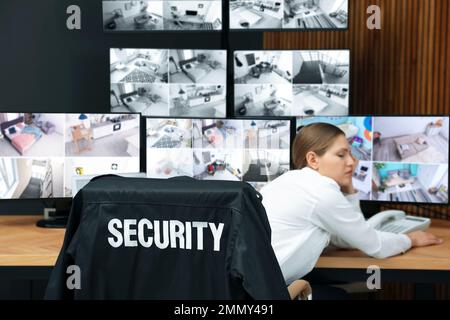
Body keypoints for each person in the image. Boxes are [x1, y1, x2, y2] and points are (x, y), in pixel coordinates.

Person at [260, 123, 443, 288]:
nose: (352, 162)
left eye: (350, 153)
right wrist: (411, 240)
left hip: (248, 288)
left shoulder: (291, 181)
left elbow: (345, 239)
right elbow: (376, 246)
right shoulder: (321, 192)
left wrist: (349, 188)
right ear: (313, 160)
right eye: (341, 155)